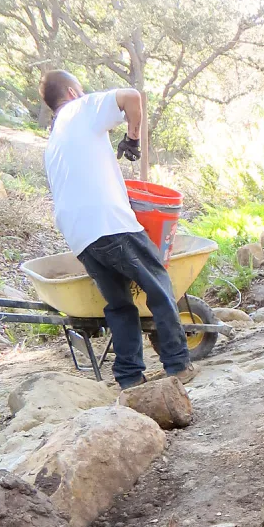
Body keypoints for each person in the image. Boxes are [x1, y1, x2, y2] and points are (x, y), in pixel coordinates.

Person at [39, 70, 192, 389]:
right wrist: (133, 136)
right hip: (109, 223)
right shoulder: (79, 109)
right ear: (71, 92)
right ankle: (178, 363)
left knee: (120, 305)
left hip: (81, 239)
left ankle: (129, 377)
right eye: (79, 90)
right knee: (160, 285)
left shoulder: (52, 143)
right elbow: (132, 97)